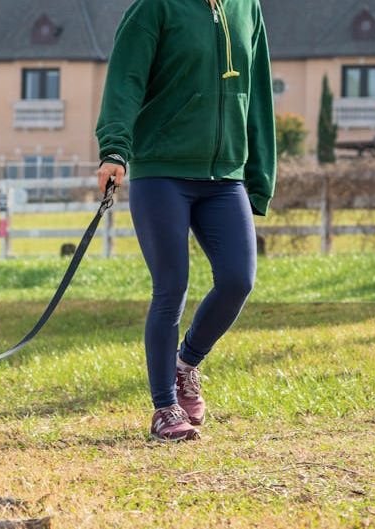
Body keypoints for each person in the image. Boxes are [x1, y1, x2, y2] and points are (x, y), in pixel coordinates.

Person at [95, 0, 276, 441]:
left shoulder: (246, 8)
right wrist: (115, 147)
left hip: (225, 176)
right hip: (163, 170)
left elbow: (257, 92)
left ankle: (186, 363)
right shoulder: (155, 8)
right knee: (171, 286)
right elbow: (126, 80)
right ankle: (164, 408)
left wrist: (258, 174)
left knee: (238, 280)